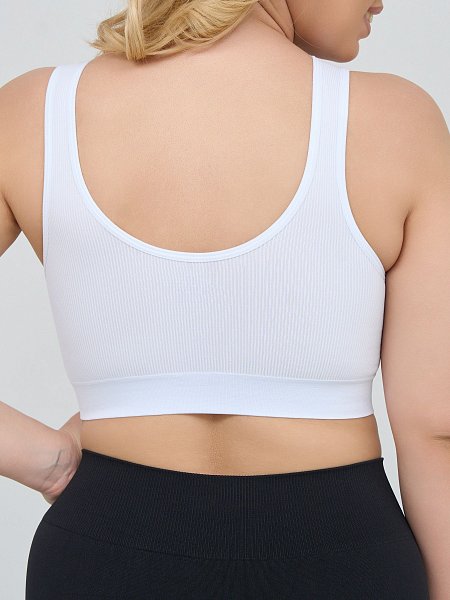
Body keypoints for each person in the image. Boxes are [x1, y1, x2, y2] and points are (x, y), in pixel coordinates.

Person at [0, 1, 448, 598]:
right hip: (342, 555)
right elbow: (436, 430)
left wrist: (47, 459)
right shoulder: (398, 121)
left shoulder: (32, 114)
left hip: (104, 551)